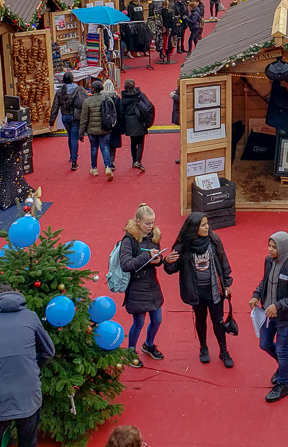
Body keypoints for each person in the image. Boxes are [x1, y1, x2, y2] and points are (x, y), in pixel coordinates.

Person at [0, 283, 55, 447]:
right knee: (28, 442)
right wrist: (31, 366)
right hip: (29, 394)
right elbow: (48, 351)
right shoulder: (30, 316)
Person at [163, 212, 234, 367]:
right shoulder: (183, 247)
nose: (207, 227)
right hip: (196, 292)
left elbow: (224, 263)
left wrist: (227, 284)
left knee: (218, 321)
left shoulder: (214, 241)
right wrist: (167, 261)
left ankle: (223, 351)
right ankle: (203, 348)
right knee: (200, 320)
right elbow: (171, 269)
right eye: (203, 224)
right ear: (194, 227)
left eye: (207, 223)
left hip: (214, 290)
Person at [250, 231, 288, 402]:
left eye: (274, 247)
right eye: (269, 246)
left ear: (283, 248)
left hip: (286, 318)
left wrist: (279, 306)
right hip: (268, 314)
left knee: (282, 351)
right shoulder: (268, 261)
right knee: (265, 344)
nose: (270, 250)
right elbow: (264, 281)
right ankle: (286, 365)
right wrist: (256, 294)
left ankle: (283, 383)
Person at [120, 204, 165, 367]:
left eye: (152, 223)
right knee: (138, 323)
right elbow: (125, 264)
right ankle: (131, 351)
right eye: (147, 223)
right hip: (136, 288)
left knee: (157, 320)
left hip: (152, 286)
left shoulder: (154, 236)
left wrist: (159, 260)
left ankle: (149, 344)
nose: (151, 227)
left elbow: (157, 257)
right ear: (138, 222)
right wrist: (146, 256)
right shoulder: (129, 239)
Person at [49, 71, 88, 171]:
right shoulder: (79, 89)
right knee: (74, 137)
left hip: (65, 116)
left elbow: (55, 107)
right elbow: (86, 101)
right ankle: (74, 161)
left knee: (70, 135)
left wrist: (51, 122)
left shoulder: (60, 91)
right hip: (75, 116)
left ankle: (72, 155)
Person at [79, 80, 113, 180]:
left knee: (94, 148)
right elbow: (112, 113)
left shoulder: (87, 101)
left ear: (92, 89)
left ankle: (94, 168)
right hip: (104, 128)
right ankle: (107, 166)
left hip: (92, 129)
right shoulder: (107, 99)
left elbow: (84, 118)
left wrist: (81, 133)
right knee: (104, 147)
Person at [120, 79, 154, 172]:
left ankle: (133, 159)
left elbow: (121, 111)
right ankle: (138, 161)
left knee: (133, 142)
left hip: (129, 121)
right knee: (140, 142)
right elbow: (148, 105)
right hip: (139, 119)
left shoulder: (123, 98)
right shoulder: (139, 95)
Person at [102, 79, 123, 172]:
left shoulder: (101, 98)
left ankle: (106, 162)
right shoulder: (116, 98)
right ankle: (111, 161)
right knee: (113, 145)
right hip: (114, 124)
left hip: (104, 124)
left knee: (105, 144)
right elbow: (120, 112)